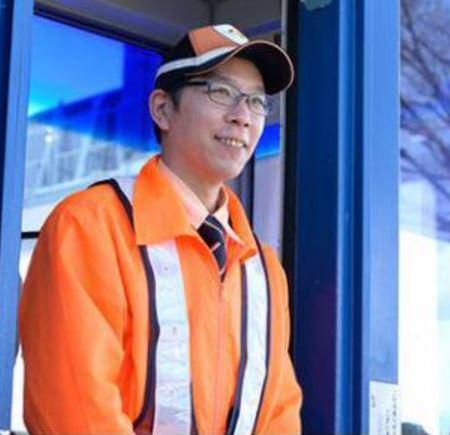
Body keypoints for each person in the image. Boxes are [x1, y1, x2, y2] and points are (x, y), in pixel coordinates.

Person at [19, 24, 302, 434]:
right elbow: (77, 411)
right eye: (221, 92)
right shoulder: (90, 227)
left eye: (257, 101)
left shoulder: (263, 269)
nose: (243, 116)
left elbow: (279, 416)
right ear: (163, 109)